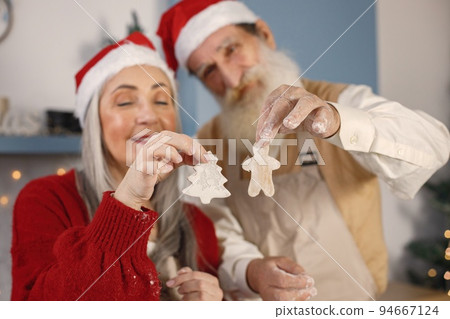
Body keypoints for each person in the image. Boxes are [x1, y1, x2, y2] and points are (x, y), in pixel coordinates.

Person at [157, 0, 450, 300]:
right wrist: (251, 271)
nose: (231, 79)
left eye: (231, 49)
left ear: (264, 34)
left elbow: (433, 146)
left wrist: (337, 122)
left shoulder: (340, 100)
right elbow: (218, 232)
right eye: (209, 71)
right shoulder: (208, 143)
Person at [10, 32, 223, 301]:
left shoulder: (200, 226)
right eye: (124, 102)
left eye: (161, 101)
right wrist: (130, 198)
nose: (148, 116)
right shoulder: (46, 201)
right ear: (94, 125)